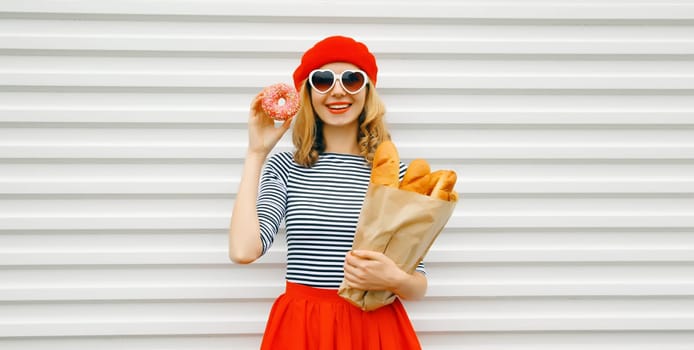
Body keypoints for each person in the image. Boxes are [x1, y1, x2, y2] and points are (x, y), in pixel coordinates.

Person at [229, 35, 425, 350]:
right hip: (303, 328)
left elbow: (418, 284)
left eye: (351, 79)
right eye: (322, 80)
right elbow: (243, 251)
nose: (337, 90)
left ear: (367, 91)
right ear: (308, 93)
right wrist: (256, 153)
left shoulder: (395, 174)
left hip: (374, 328)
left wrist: (396, 279)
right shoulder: (285, 168)